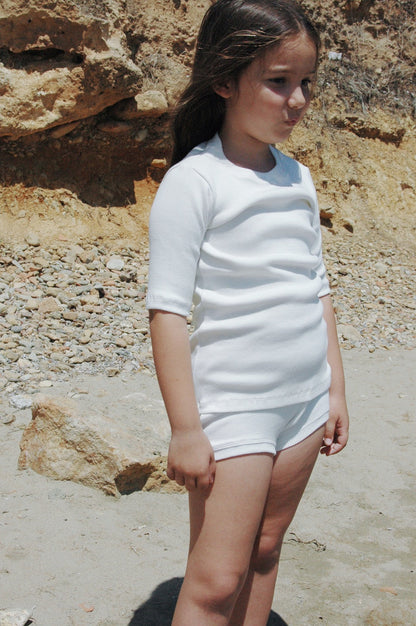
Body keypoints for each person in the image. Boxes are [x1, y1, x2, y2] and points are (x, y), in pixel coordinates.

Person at [146, 0, 349, 623]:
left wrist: (335, 391)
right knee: (214, 580)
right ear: (226, 80)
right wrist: (186, 427)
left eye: (306, 82)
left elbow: (316, 288)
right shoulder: (194, 182)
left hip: (305, 403)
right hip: (236, 410)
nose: (297, 100)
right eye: (278, 81)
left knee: (264, 551)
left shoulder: (299, 178)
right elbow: (168, 312)